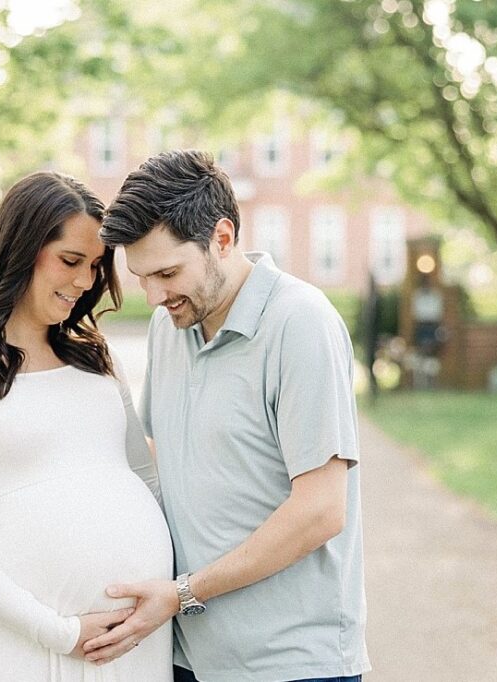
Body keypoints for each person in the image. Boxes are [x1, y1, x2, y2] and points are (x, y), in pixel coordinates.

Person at [88, 150, 370, 682]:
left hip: (291, 664)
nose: (153, 296)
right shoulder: (170, 326)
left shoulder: (301, 323)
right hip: (189, 656)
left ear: (221, 238)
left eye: (167, 272)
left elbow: (321, 510)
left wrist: (182, 594)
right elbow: (160, 461)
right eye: (142, 277)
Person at [0, 171, 173, 681]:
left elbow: (148, 479)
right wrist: (59, 632)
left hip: (135, 643)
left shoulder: (96, 359)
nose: (83, 281)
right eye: (70, 261)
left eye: (95, 266)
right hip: (27, 649)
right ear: (20, 250)